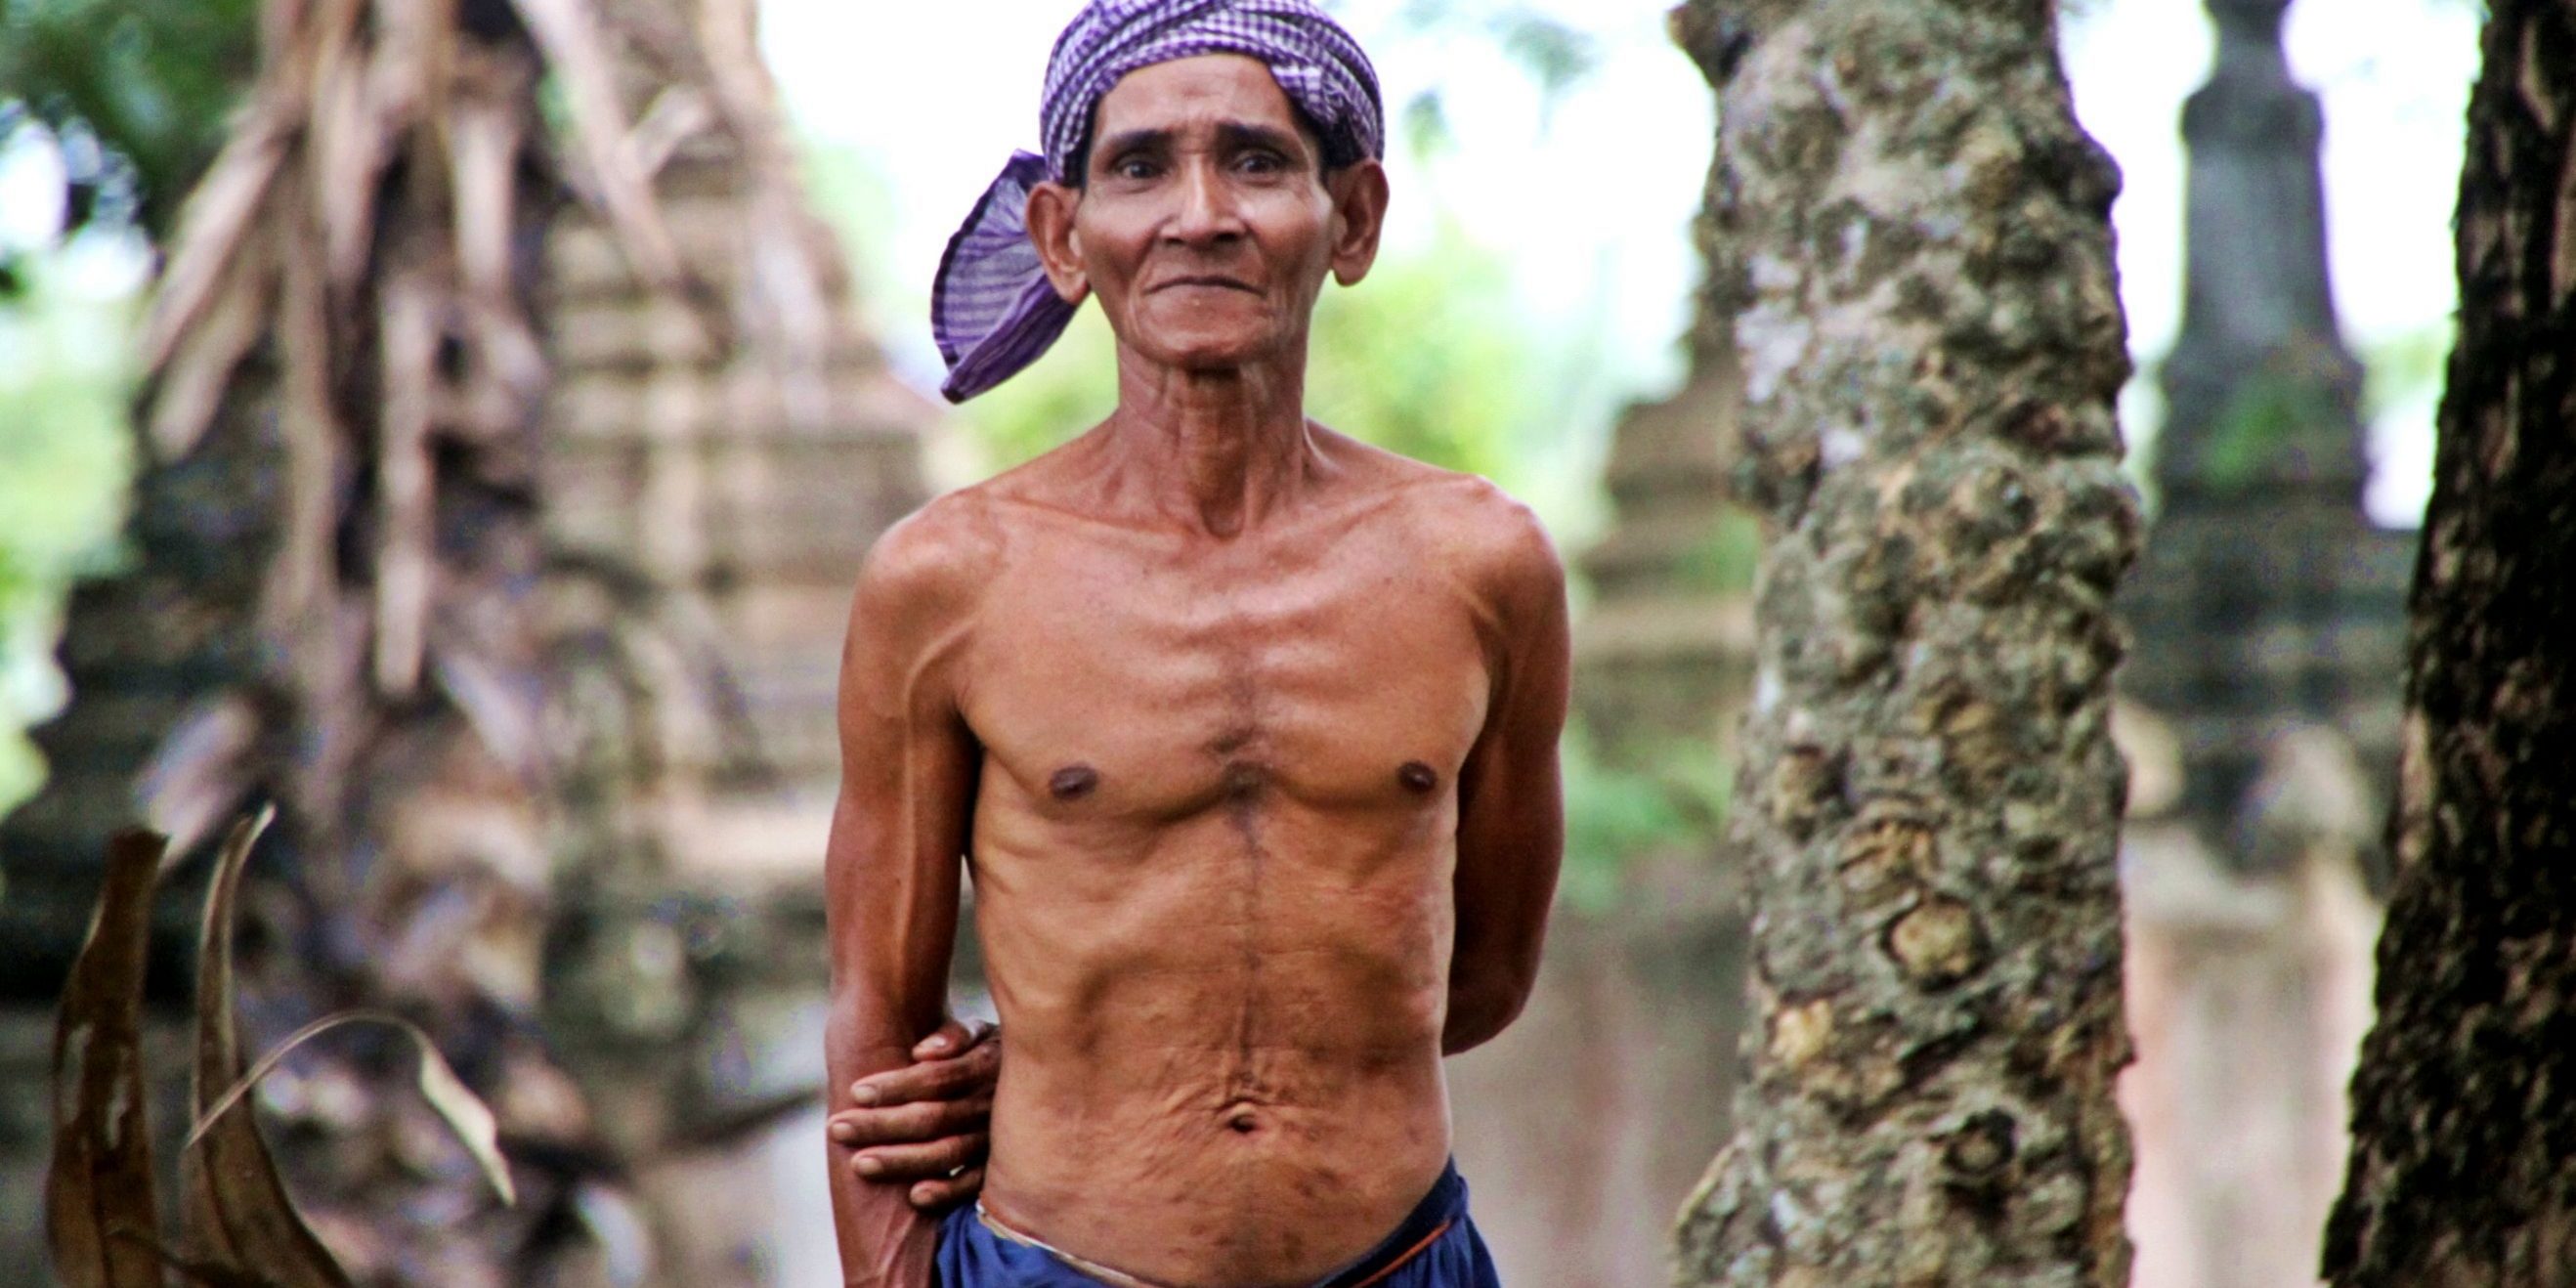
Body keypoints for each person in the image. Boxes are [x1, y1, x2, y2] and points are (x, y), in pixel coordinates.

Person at [822, 2, 1568, 1283]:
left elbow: (1487, 973)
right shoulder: (951, 582)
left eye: (1259, 160)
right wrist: (1070, 1061)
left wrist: (1156, 1039)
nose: (1202, 212)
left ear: (1357, 218)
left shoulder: (1480, 566)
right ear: (1065, 233)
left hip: (1400, 1262)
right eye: (1141, 166)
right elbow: (876, 1027)